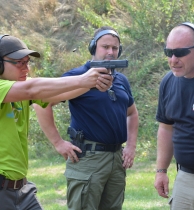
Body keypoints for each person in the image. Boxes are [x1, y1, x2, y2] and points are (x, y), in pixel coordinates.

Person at [0, 34, 113, 210]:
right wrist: (82, 79)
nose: (26, 69)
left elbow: (58, 94)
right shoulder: (15, 88)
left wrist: (92, 83)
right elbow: (32, 88)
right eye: (19, 63)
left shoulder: (20, 87)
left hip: (21, 188)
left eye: (27, 62)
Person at [34, 26, 139, 210]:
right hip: (88, 158)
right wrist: (58, 143)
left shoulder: (121, 80)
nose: (110, 52)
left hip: (116, 159)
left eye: (114, 48)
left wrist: (130, 146)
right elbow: (41, 103)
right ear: (93, 47)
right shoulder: (77, 76)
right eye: (105, 47)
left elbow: (132, 113)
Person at [154, 22, 194, 209]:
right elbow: (166, 128)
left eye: (180, 53)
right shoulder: (168, 82)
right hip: (184, 179)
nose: (173, 59)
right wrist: (161, 171)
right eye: (169, 53)